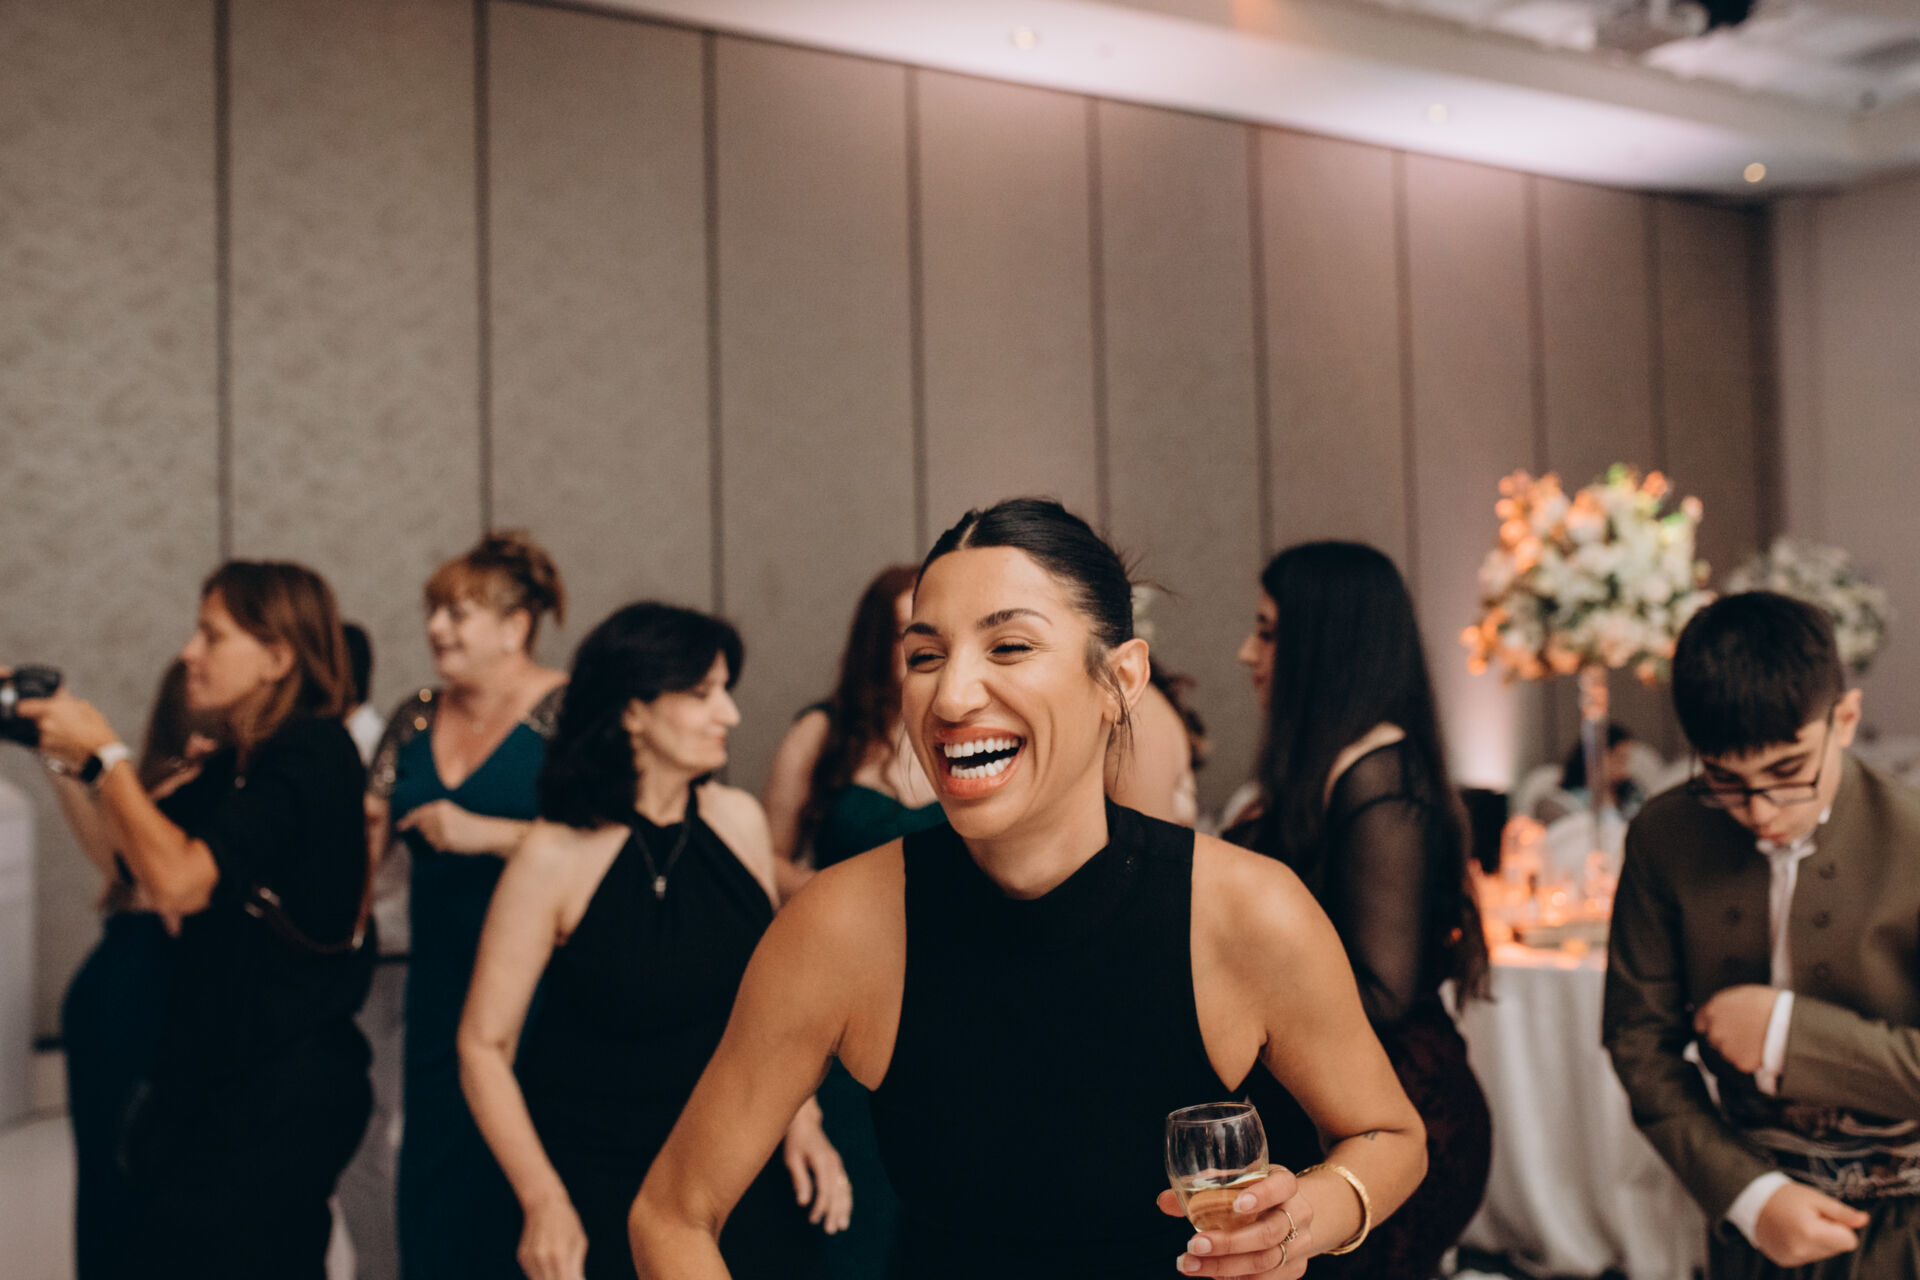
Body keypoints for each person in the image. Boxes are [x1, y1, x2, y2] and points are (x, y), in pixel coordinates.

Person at [632, 498, 1427, 1280]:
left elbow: (1390, 1137)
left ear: (1120, 680)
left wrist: (1301, 1221)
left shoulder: (1247, 911)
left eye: (1009, 646)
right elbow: (672, 1213)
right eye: (924, 656)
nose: (951, 698)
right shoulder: (839, 927)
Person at [460, 602, 839, 1280]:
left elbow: (771, 1007)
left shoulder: (739, 822)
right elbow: (483, 1046)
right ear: (633, 710)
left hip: (734, 1166)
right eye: (702, 694)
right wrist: (543, 1200)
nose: (730, 714)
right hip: (600, 1179)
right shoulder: (553, 856)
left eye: (725, 690)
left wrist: (803, 1121)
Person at [20, 560, 374, 1278]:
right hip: (219, 1084)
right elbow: (127, 862)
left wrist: (109, 757)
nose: (189, 653)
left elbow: (180, 884)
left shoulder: (312, 751)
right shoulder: (238, 761)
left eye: (212, 636)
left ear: (277, 658)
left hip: (285, 1094)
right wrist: (64, 760)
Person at [1605, 590, 1920, 1278]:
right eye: (1725, 780)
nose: (1761, 811)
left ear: (1845, 719)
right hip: (1749, 1222)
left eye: (1788, 773)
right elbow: (1637, 1040)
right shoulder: (1664, 836)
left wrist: (1783, 1033)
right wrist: (1750, 1197)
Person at [1227, 540, 1493, 1278]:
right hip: (1339, 1110)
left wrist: (1244, 1008)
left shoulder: (1380, 775)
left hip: (1397, 1116)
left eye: (1268, 632)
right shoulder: (1328, 770)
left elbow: (1383, 990)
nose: (1247, 653)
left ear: (1328, 644)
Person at [365, 530, 568, 1279]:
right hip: (439, 987)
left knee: (518, 1196)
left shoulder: (571, 712)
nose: (436, 629)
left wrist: (492, 835)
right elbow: (364, 841)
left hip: (545, 992)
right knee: (435, 1192)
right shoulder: (414, 716)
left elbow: (614, 842)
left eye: (458, 613)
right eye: (434, 611)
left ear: (516, 627)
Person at [760, 564, 937, 1279]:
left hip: (942, 990)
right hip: (839, 994)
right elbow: (763, 859)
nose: (918, 649)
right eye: (905, 633)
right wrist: (832, 896)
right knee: (858, 1206)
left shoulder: (963, 732)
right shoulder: (822, 732)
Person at [47, 661, 210, 1279]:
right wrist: (66, 759)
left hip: (121, 987)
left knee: (118, 1183)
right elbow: (122, 867)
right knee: (132, 1182)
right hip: (140, 993)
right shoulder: (177, 787)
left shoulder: (159, 787)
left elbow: (116, 864)